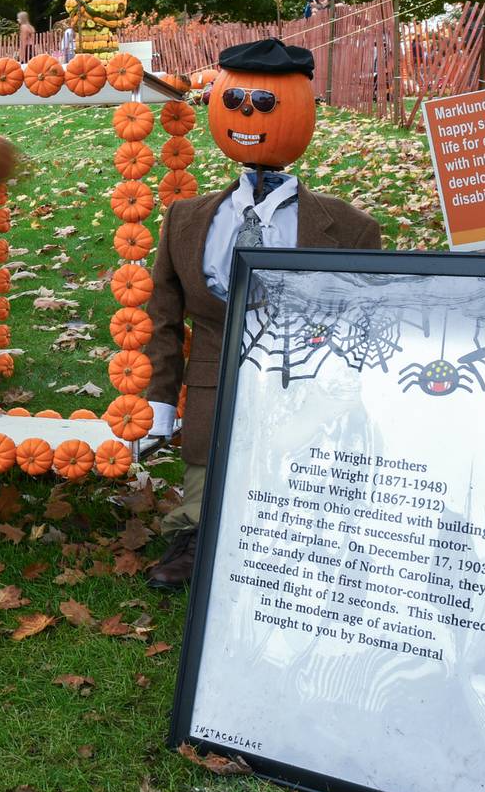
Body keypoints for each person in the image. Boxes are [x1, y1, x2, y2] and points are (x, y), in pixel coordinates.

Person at [144, 38, 382, 591]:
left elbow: (367, 321)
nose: (248, 114)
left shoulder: (349, 230)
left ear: (302, 112)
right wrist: (160, 398)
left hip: (303, 381)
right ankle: (197, 534)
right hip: (213, 381)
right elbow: (164, 315)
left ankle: (302, 538)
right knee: (207, 478)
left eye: (267, 103)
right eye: (235, 101)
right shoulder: (185, 219)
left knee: (298, 475)